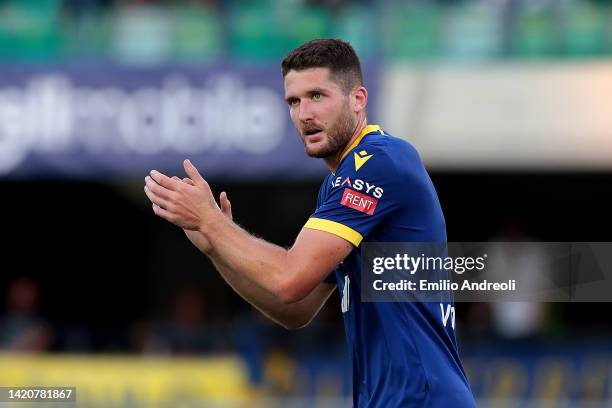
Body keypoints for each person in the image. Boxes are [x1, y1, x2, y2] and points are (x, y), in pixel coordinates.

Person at [144, 38, 475, 407]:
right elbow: (296, 310)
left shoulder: (381, 162)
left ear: (358, 99)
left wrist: (212, 222)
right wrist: (215, 246)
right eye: (294, 101)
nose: (304, 114)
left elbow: (288, 279)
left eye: (317, 96)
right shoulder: (340, 183)